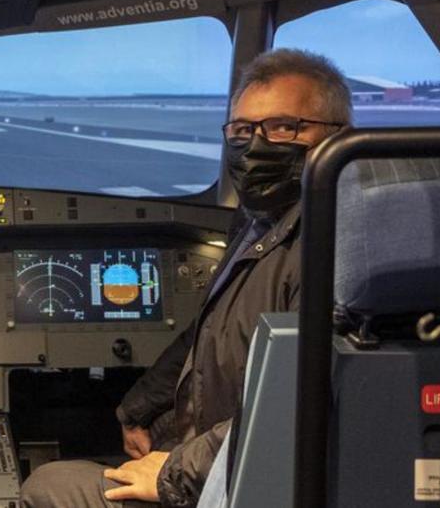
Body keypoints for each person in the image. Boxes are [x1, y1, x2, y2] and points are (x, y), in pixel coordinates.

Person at [20, 48, 353, 508]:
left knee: (48, 485)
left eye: (283, 127)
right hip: (219, 455)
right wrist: (138, 407)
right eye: (241, 130)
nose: (255, 146)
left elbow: (297, 409)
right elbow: (207, 331)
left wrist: (173, 472)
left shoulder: (334, 245)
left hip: (247, 477)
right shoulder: (258, 222)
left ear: (338, 137)